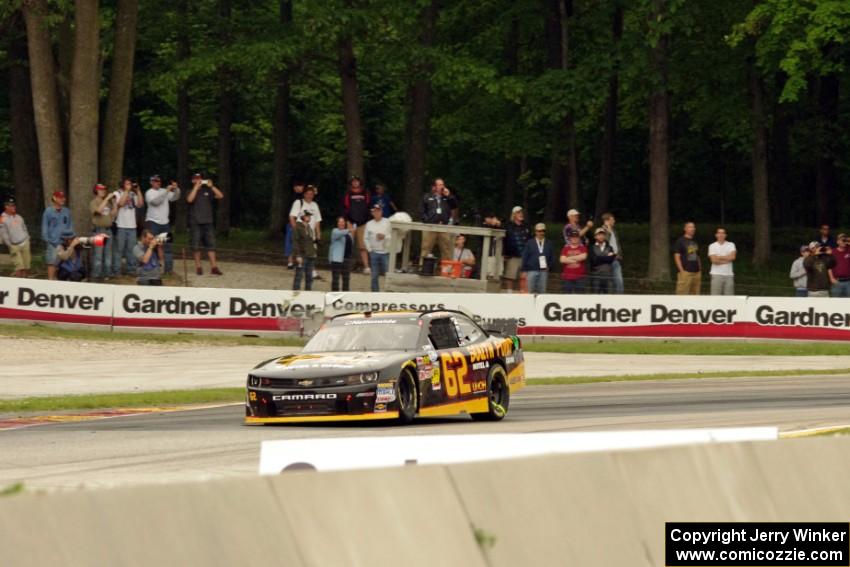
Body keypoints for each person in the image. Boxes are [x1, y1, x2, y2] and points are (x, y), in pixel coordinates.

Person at [187, 173, 224, 276]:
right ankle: (198, 267)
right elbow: (189, 200)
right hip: (195, 222)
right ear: (193, 181)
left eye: (200, 179)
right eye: (196, 179)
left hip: (208, 222)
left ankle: (214, 267)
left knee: (211, 245)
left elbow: (220, 195)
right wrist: (195, 188)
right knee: (196, 246)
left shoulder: (207, 190)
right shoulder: (190, 191)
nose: (198, 181)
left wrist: (212, 186)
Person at [145, 174, 180, 274]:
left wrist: (176, 188)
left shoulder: (163, 191)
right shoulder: (149, 192)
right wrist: (166, 191)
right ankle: (151, 269)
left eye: (159, 181)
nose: (158, 183)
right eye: (155, 181)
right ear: (151, 182)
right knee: (152, 246)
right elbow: (156, 202)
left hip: (165, 223)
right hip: (153, 222)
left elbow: (175, 198)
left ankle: (169, 270)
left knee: (168, 247)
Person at [112, 179, 143, 276]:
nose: (129, 185)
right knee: (119, 249)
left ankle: (131, 270)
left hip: (132, 226)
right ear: (123, 185)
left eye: (130, 184)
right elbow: (120, 204)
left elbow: (140, 204)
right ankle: (117, 271)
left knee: (131, 249)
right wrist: (126, 191)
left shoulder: (133, 194)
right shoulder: (117, 193)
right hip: (121, 225)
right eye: (127, 184)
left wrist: (138, 191)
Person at [419, 178, 452, 267]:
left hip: (443, 226)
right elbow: (421, 211)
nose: (442, 187)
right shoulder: (426, 196)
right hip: (430, 227)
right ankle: (423, 268)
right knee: (426, 248)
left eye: (443, 185)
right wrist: (427, 221)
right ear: (434, 187)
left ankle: (446, 270)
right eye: (440, 185)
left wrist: (449, 196)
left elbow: (455, 205)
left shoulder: (447, 197)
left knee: (446, 249)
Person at [42, 190, 74, 281]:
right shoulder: (48, 211)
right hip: (52, 242)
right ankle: (50, 280)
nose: (62, 199)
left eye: (63, 197)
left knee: (60, 263)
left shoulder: (67, 211)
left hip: (64, 241)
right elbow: (44, 227)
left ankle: (57, 280)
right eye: (60, 197)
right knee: (51, 262)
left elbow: (70, 225)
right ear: (54, 198)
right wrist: (48, 239)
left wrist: (70, 237)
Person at [342, 176, 370, 272]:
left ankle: (366, 267)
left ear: (359, 183)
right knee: (348, 244)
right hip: (351, 222)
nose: (355, 183)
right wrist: (348, 220)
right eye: (353, 182)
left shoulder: (365, 193)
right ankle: (345, 266)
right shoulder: (348, 194)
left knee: (363, 246)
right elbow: (345, 207)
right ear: (351, 183)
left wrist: (366, 219)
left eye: (357, 181)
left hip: (363, 223)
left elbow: (368, 206)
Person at [89, 183, 117, 280]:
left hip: (108, 230)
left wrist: (114, 203)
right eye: (100, 190)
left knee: (108, 254)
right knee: (98, 254)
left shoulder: (108, 203)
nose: (103, 191)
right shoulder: (94, 202)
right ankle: (96, 275)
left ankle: (107, 274)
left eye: (104, 189)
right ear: (96, 191)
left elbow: (113, 215)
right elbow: (99, 211)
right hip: (99, 231)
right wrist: (106, 199)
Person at [0, 197, 31, 277]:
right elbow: (4, 233)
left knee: (26, 265)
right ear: (6, 206)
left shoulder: (18, 217)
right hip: (14, 245)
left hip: (24, 242)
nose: (13, 207)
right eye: (11, 206)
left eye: (14, 205)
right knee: (19, 266)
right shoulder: (2, 218)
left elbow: (24, 227)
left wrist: (27, 238)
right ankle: (19, 282)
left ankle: (25, 281)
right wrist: (10, 245)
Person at [521, 223, 556, 294]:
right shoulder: (529, 243)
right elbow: (525, 256)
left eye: (543, 231)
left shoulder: (549, 243)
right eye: (539, 231)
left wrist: (549, 266)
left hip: (543, 271)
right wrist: (524, 270)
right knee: (530, 292)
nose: (541, 233)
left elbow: (552, 257)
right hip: (531, 270)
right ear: (536, 232)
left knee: (542, 292)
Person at [365, 203, 393, 291]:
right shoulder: (369, 224)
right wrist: (370, 249)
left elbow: (393, 236)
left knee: (388, 274)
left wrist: (384, 236)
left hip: (385, 253)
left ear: (381, 212)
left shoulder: (387, 222)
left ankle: (389, 292)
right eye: (375, 211)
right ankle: (375, 294)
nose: (377, 213)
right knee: (374, 276)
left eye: (378, 211)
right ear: (372, 213)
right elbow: (365, 238)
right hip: (374, 252)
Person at [503, 206, 530, 292]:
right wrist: (505, 254)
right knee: (510, 275)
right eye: (518, 212)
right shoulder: (508, 226)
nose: (521, 214)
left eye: (521, 212)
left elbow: (530, 240)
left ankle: (522, 293)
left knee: (524, 276)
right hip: (512, 255)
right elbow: (504, 240)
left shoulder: (526, 226)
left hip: (525, 256)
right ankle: (509, 293)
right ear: (514, 214)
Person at [673, 222, 701, 295]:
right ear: (685, 229)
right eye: (690, 227)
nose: (692, 229)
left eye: (693, 227)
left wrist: (700, 269)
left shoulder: (694, 241)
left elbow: (697, 256)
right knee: (682, 296)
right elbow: (676, 257)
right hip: (686, 273)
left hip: (696, 273)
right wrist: (682, 271)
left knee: (695, 297)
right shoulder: (680, 241)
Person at [292, 210, 317, 291]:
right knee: (299, 276)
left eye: (309, 216)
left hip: (311, 255)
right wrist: (298, 255)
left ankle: (308, 294)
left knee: (309, 277)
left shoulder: (309, 227)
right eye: (307, 215)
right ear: (302, 217)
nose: (309, 217)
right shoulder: (297, 227)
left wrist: (314, 252)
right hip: (302, 255)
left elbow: (311, 241)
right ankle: (295, 294)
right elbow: (295, 241)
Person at [708, 227, 736, 296]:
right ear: (716, 235)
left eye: (723, 233)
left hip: (729, 275)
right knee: (715, 298)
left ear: (725, 235)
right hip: (716, 274)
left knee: (729, 298)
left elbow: (733, 257)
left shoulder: (731, 245)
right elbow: (714, 260)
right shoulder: (712, 246)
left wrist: (719, 257)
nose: (721, 235)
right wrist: (727, 259)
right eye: (719, 233)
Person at [329, 216, 355, 292]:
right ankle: (334, 296)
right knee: (336, 280)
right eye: (339, 222)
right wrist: (350, 229)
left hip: (347, 259)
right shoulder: (335, 231)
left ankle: (345, 296)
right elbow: (342, 233)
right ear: (337, 223)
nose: (341, 223)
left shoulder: (348, 234)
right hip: (337, 259)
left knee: (346, 280)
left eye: (343, 222)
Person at [588, 228, 616, 294]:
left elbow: (611, 260)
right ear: (595, 236)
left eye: (602, 234)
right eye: (599, 234)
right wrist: (606, 257)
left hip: (608, 277)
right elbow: (594, 261)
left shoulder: (610, 247)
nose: (601, 236)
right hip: (596, 277)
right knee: (595, 298)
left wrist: (599, 257)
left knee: (608, 299)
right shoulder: (591, 248)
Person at [600, 212, 623, 293]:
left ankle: (620, 301)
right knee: (608, 283)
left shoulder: (614, 230)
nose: (614, 221)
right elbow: (604, 244)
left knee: (619, 282)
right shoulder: (601, 231)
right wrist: (608, 232)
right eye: (612, 219)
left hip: (616, 259)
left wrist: (619, 255)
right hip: (607, 261)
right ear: (607, 220)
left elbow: (616, 244)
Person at [284, 181, 305, 269]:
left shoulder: (305, 197)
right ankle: (290, 262)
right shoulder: (291, 197)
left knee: (300, 243)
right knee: (290, 242)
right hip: (291, 222)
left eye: (300, 186)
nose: (298, 188)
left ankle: (299, 263)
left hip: (301, 223)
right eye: (296, 186)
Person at [559, 229, 587, 293]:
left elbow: (583, 257)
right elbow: (562, 260)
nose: (574, 238)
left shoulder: (582, 248)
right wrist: (576, 259)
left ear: (579, 238)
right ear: (570, 238)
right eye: (572, 237)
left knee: (580, 297)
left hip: (580, 277)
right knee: (567, 297)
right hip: (567, 278)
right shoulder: (565, 248)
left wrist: (568, 258)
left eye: (576, 236)